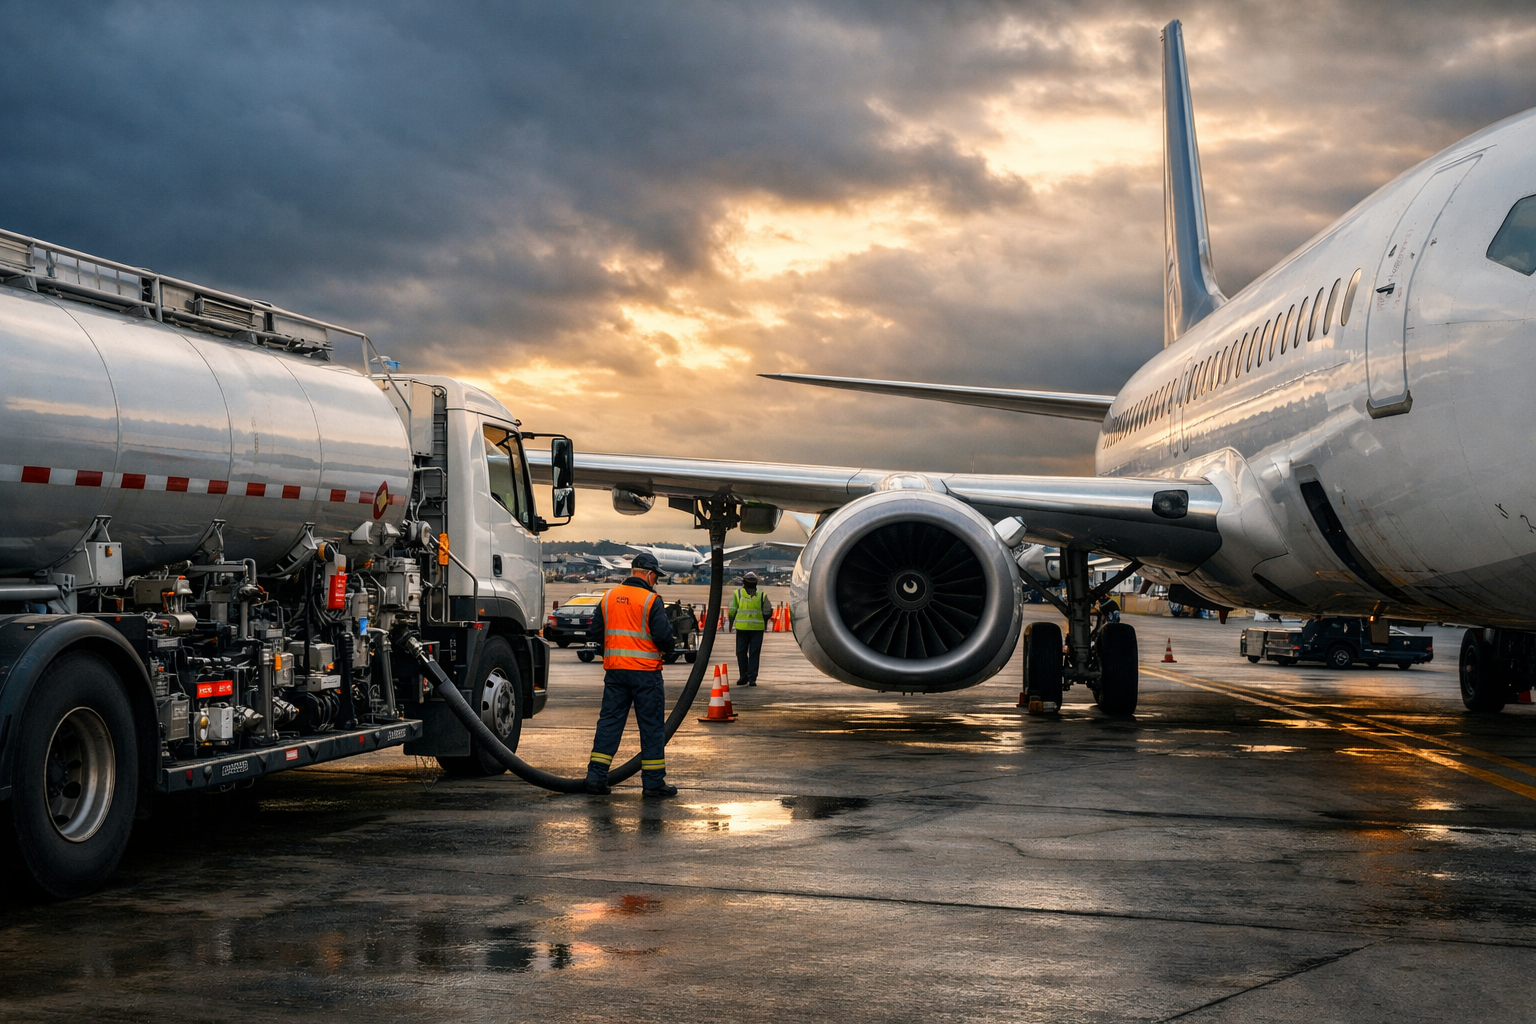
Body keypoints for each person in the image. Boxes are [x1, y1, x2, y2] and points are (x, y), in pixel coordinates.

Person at [585, 552, 677, 797]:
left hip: (616, 672)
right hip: (645, 674)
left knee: (609, 723)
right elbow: (663, 636)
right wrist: (670, 647)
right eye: (656, 577)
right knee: (652, 728)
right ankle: (653, 783)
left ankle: (595, 778)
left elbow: (596, 631)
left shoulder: (608, 597)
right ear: (649, 575)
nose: (656, 581)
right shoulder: (650, 600)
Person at [728, 571, 771, 687]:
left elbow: (732, 609)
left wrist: (731, 622)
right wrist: (765, 622)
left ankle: (744, 676)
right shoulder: (762, 595)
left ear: (743, 583)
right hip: (757, 629)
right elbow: (768, 611)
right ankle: (752, 678)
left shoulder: (738, 593)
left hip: (742, 628)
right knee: (754, 654)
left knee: (741, 652)